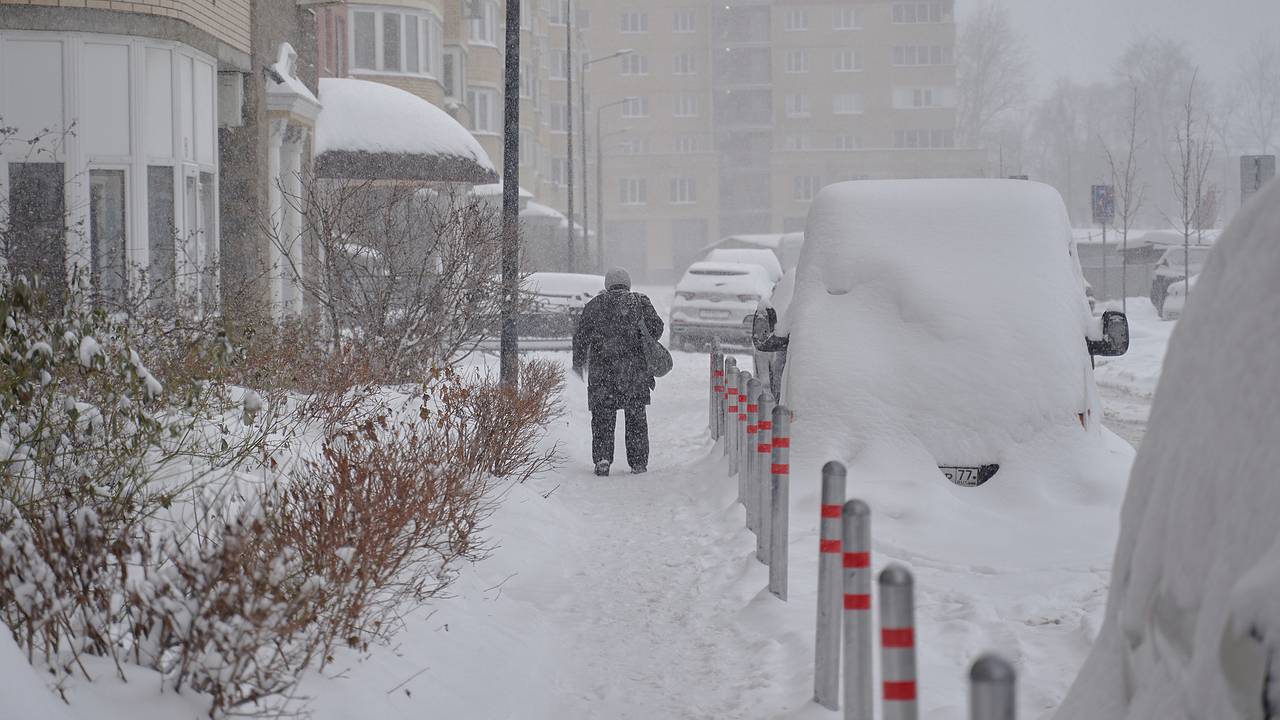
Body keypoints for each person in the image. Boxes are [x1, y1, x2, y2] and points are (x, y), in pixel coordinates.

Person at [571, 267, 663, 476]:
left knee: (603, 417)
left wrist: (578, 363)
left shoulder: (595, 305)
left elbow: (581, 336)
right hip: (634, 372)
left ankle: (603, 458)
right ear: (628, 284)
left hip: (603, 373)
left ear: (607, 285)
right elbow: (657, 329)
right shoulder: (640, 302)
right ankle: (638, 462)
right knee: (636, 418)